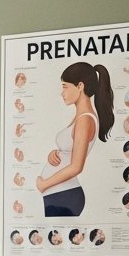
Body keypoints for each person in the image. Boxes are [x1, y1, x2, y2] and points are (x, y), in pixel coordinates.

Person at [36, 62, 115, 217]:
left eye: (65, 87)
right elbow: (71, 151)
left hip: (64, 195)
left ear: (80, 86)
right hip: (60, 194)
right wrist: (55, 154)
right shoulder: (81, 117)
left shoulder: (85, 120)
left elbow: (77, 166)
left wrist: (44, 184)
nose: (62, 93)